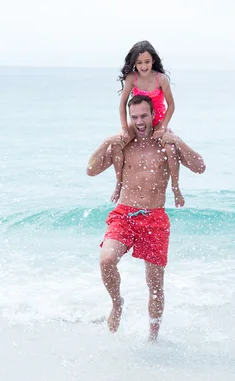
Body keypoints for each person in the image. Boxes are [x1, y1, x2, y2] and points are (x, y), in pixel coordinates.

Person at [86, 94, 206, 341]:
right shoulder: (123, 144)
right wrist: (106, 141)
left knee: (155, 286)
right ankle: (117, 303)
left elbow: (200, 166)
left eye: (144, 116)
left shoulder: (166, 144)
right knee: (106, 260)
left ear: (153, 115)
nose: (139, 122)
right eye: (134, 117)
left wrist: (178, 140)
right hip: (125, 214)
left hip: (154, 218)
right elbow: (91, 170)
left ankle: (153, 338)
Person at [111, 40, 184, 208]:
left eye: (147, 62)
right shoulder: (132, 77)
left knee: (171, 149)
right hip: (138, 122)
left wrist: (163, 126)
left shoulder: (161, 79)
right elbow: (122, 104)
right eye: (139, 62)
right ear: (134, 63)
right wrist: (124, 128)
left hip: (158, 122)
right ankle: (118, 184)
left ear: (153, 61)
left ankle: (176, 188)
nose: (143, 66)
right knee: (115, 146)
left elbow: (171, 105)